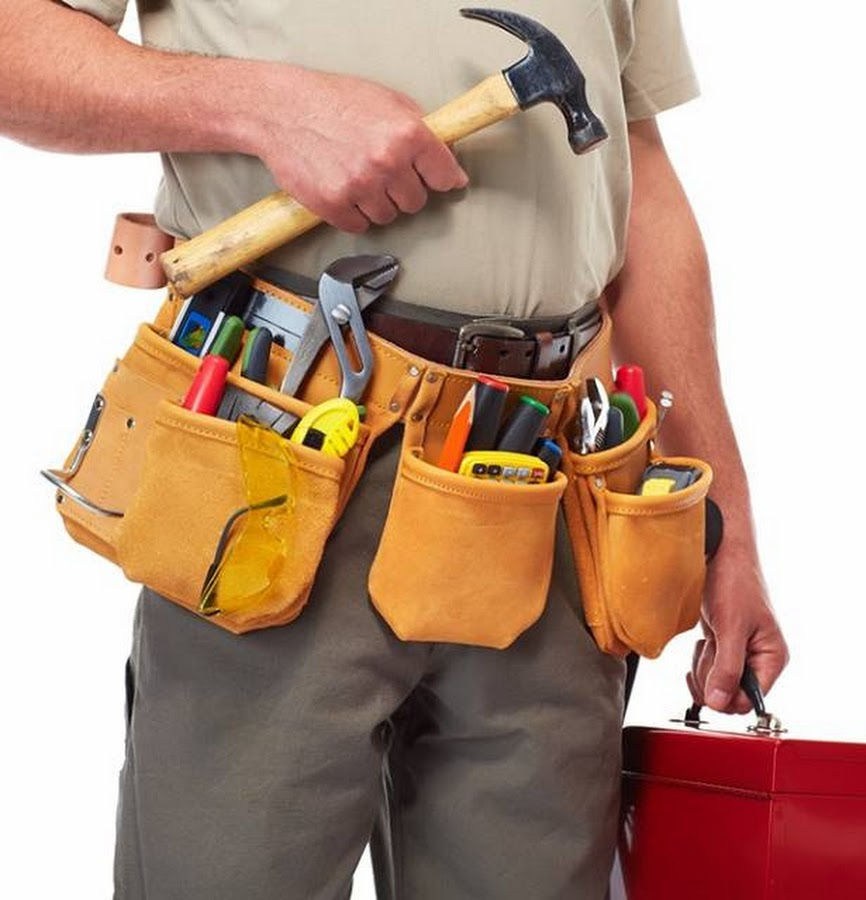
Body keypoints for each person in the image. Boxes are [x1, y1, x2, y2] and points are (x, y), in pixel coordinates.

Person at [1, 1, 789, 897]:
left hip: (551, 480)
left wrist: (725, 525)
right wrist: (265, 107)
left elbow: (635, 170)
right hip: (285, 455)